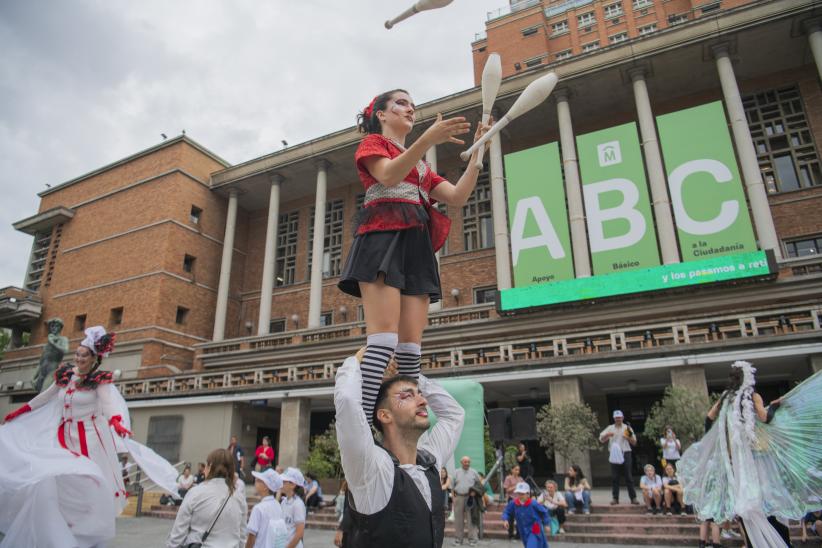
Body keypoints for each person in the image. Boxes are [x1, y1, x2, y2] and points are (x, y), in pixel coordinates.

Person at [337, 89, 490, 427]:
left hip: (415, 248)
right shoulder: (373, 145)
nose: (410, 108)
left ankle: (404, 433)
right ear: (381, 114)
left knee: (410, 352)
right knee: (383, 340)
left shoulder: (420, 167)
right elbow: (388, 175)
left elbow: (458, 196)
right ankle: (360, 428)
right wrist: (428, 139)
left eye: (412, 104)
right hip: (383, 241)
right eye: (401, 103)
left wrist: (478, 156)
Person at [0, 326, 180, 548]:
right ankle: (59, 527)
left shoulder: (99, 381)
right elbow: (45, 397)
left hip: (90, 440)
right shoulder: (66, 375)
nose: (78, 358)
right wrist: (20, 411)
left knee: (88, 482)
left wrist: (116, 421)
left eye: (83, 355)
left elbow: (109, 404)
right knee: (53, 479)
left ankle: (85, 530)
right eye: (77, 354)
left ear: (94, 358)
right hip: (63, 438)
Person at [679, 361, 822, 547]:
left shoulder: (726, 399)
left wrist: (719, 438)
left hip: (738, 464)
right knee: (769, 500)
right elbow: (765, 418)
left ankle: (757, 542)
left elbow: (709, 417)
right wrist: (775, 406)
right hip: (760, 458)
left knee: (747, 504)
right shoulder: (753, 396)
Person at [335, 347, 465, 547]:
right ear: (384, 415)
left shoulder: (430, 461)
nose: (423, 401)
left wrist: (412, 375)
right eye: (407, 396)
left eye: (419, 395)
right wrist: (357, 361)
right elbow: (348, 401)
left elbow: (455, 415)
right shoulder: (373, 469)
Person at [166, 448, 247, 548]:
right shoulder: (239, 498)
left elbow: (177, 536)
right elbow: (242, 538)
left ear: (209, 467)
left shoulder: (195, 493)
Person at [599, 409, 638, 505]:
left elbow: (634, 442)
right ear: (614, 418)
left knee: (628, 476)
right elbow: (601, 440)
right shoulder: (610, 428)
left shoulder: (627, 428)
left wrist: (627, 437)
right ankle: (615, 498)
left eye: (619, 417)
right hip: (614, 454)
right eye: (616, 418)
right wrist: (607, 435)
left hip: (626, 452)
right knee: (615, 477)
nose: (618, 419)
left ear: (622, 418)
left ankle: (633, 498)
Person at [246, 467, 286, 548]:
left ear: (266, 486)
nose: (255, 482)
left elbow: (251, 537)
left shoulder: (258, 508)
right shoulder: (277, 505)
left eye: (258, 480)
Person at [501, 482, 549, 548]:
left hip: (535, 527)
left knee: (532, 544)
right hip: (522, 529)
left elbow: (544, 512)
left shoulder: (533, 503)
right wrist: (505, 520)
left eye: (522, 494)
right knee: (528, 544)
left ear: (528, 494)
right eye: (519, 493)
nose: (520, 496)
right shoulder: (514, 503)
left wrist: (546, 524)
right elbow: (507, 511)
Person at [453, 455, 482, 546]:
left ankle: (472, 539)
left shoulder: (474, 472)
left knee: (471, 519)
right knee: (458, 519)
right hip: (459, 497)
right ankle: (458, 539)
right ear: (461, 462)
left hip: (470, 498)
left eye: (468, 462)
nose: (467, 463)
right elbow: (452, 487)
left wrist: (475, 492)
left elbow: (479, 484)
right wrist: (454, 498)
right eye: (465, 462)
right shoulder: (456, 472)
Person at [280, 467, 307, 548]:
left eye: (284, 481)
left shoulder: (297, 504)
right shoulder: (284, 502)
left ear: (293, 484)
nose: (281, 483)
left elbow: (299, 533)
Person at [503, 465, 525, 540]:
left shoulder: (521, 478)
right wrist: (516, 486)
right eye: (515, 470)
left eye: (518, 470)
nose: (517, 471)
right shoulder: (508, 478)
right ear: (512, 470)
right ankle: (510, 534)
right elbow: (507, 490)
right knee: (511, 518)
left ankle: (518, 535)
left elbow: (524, 489)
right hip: (512, 499)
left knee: (519, 517)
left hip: (520, 500)